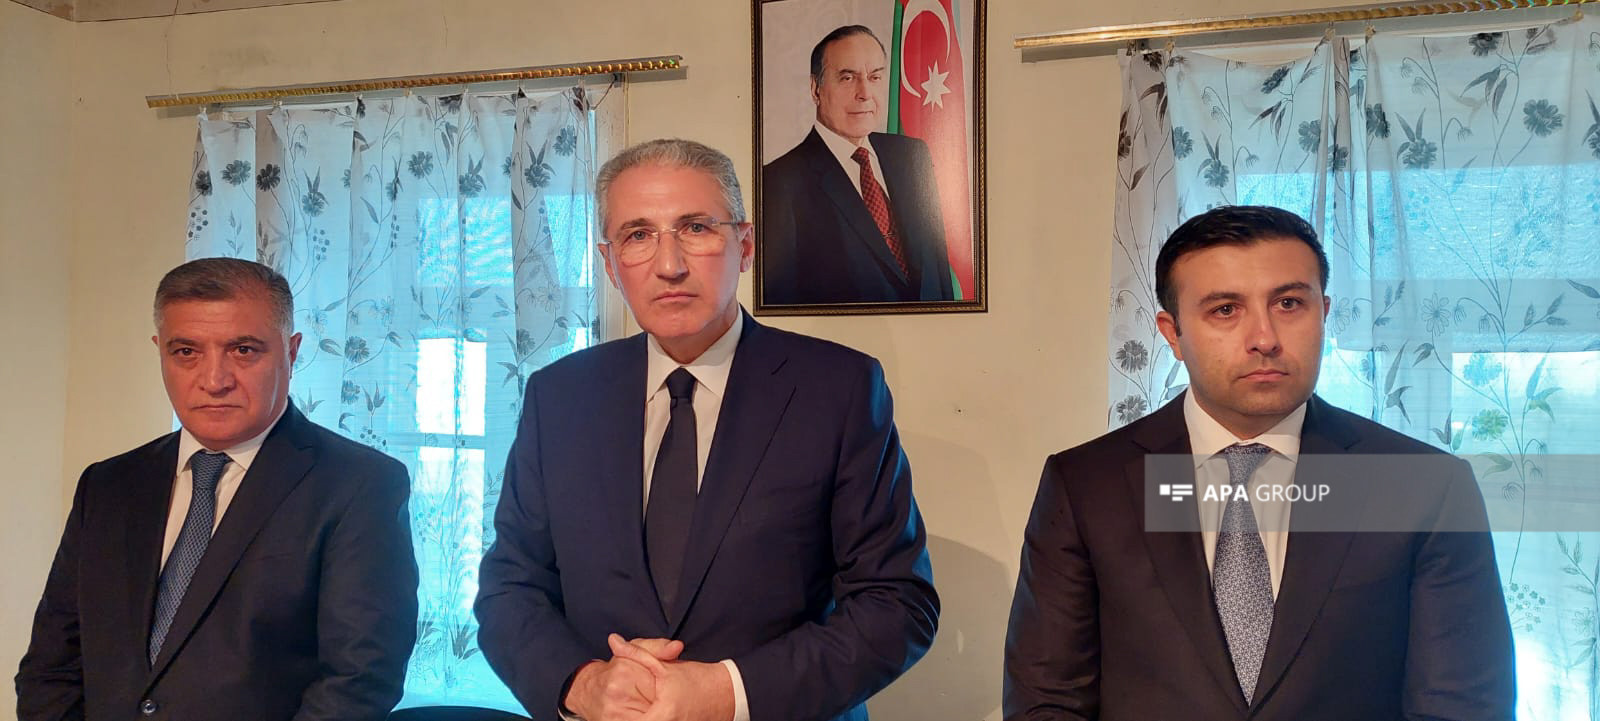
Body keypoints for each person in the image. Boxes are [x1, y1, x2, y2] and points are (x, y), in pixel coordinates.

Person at [476, 138, 939, 721]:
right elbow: (510, 588)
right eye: (638, 235)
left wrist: (727, 692)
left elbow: (897, 604)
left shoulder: (839, 390)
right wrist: (582, 683)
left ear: (745, 246)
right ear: (610, 265)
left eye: (695, 228)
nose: (669, 264)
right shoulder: (559, 397)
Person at [1003, 205, 1514, 720]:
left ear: (1324, 313)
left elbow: (1463, 706)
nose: (1265, 339)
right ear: (1173, 333)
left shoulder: (1424, 486)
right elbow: (1047, 701)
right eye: (1225, 309)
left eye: (1289, 303)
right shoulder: (1087, 485)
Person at [15, 258, 418, 721]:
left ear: (291, 352)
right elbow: (53, 665)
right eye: (186, 351)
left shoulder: (360, 485)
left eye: (243, 350)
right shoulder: (107, 485)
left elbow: (358, 681)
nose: (214, 381)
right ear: (160, 352)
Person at [762, 24, 954, 305]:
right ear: (816, 89)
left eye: (874, 77)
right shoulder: (779, 183)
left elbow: (938, 271)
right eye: (847, 78)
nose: (865, 93)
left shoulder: (912, 155)